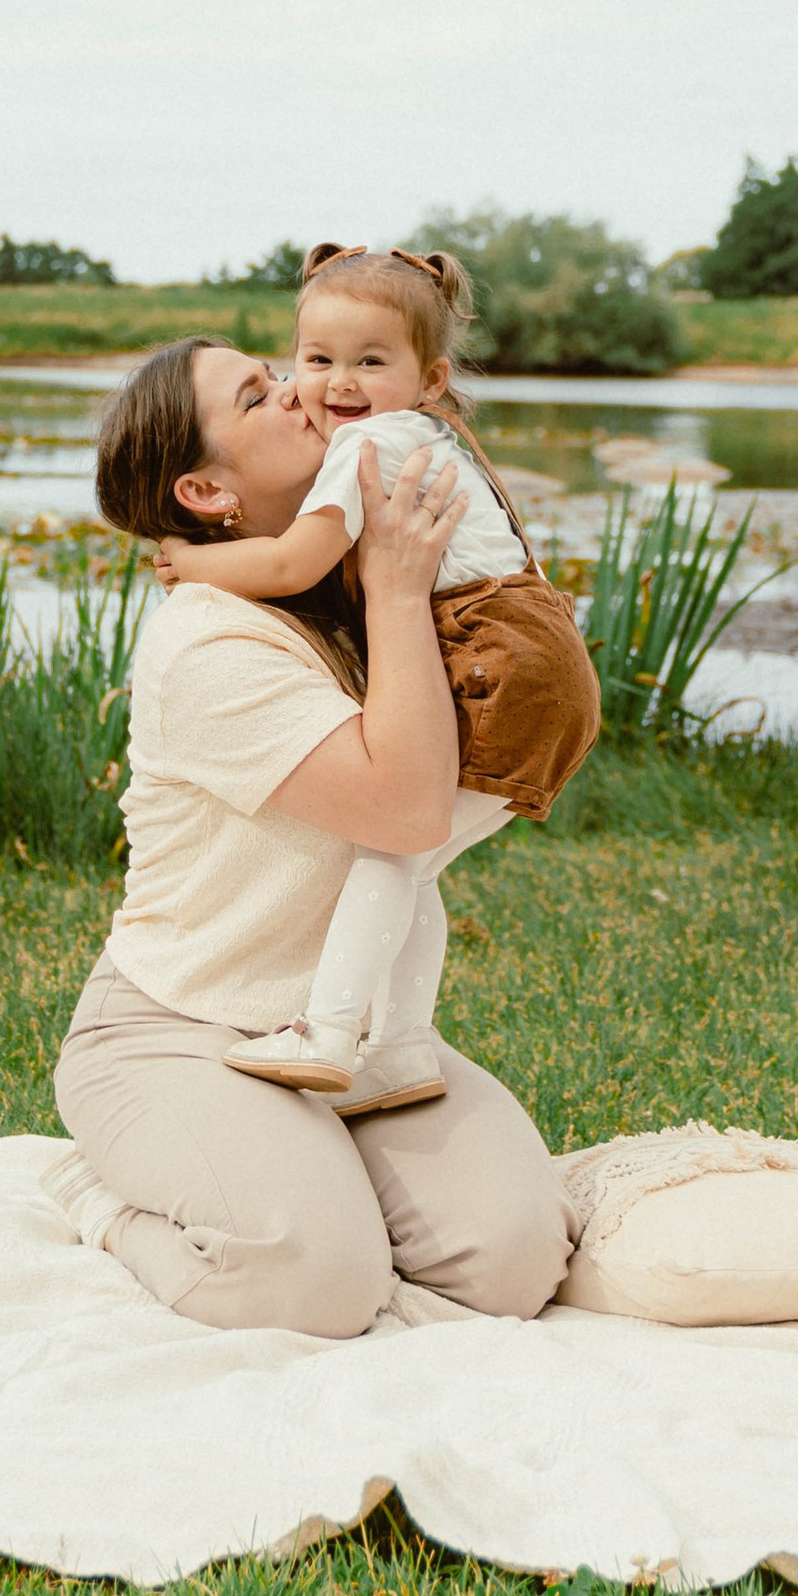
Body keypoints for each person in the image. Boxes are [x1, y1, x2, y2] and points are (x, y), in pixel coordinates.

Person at [45, 336, 573, 1341]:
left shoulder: (338, 578)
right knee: (315, 1285)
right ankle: (100, 1199)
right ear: (207, 491)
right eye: (257, 396)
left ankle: (309, 1160)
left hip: (347, 1039)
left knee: (513, 1263)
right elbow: (407, 811)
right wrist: (396, 587)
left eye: (273, 369)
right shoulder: (210, 640)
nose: (298, 390)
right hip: (181, 1030)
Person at [150, 244, 600, 1111]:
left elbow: (292, 560)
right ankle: (401, 1049)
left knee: (393, 848)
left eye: (369, 361)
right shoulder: (425, 431)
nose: (334, 383)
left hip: (500, 655)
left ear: (429, 379)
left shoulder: (366, 448)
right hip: (538, 659)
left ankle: (330, 1030)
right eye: (315, 360)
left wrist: (193, 566)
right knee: (414, 864)